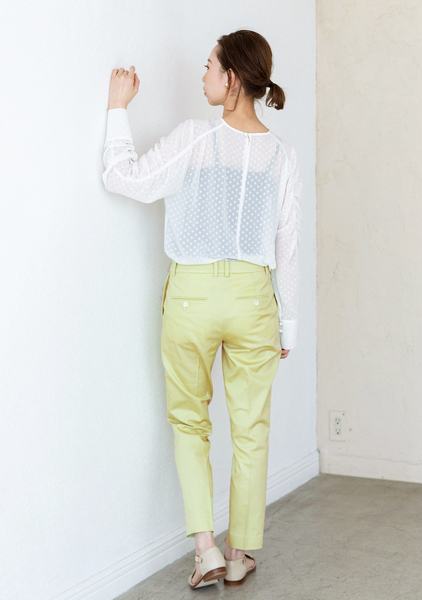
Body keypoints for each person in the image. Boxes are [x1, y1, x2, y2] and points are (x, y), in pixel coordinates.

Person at [102, 29, 302, 589]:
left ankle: (206, 551)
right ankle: (239, 555)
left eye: (210, 66)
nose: (204, 75)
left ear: (232, 79)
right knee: (251, 429)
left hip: (191, 296)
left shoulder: (196, 138)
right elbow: (288, 244)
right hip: (255, 300)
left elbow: (124, 178)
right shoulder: (282, 156)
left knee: (190, 422)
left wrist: (118, 110)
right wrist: (288, 325)